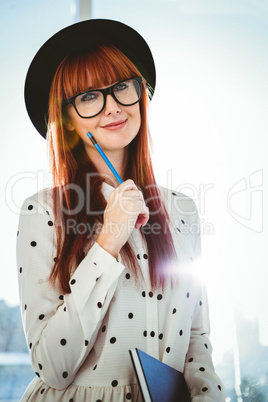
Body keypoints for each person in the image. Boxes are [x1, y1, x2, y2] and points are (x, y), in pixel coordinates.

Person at [17, 19, 225, 401]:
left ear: (139, 92)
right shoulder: (41, 211)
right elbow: (51, 365)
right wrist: (108, 242)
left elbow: (196, 338)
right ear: (67, 120)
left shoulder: (182, 209)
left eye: (121, 87)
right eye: (88, 96)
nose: (112, 106)